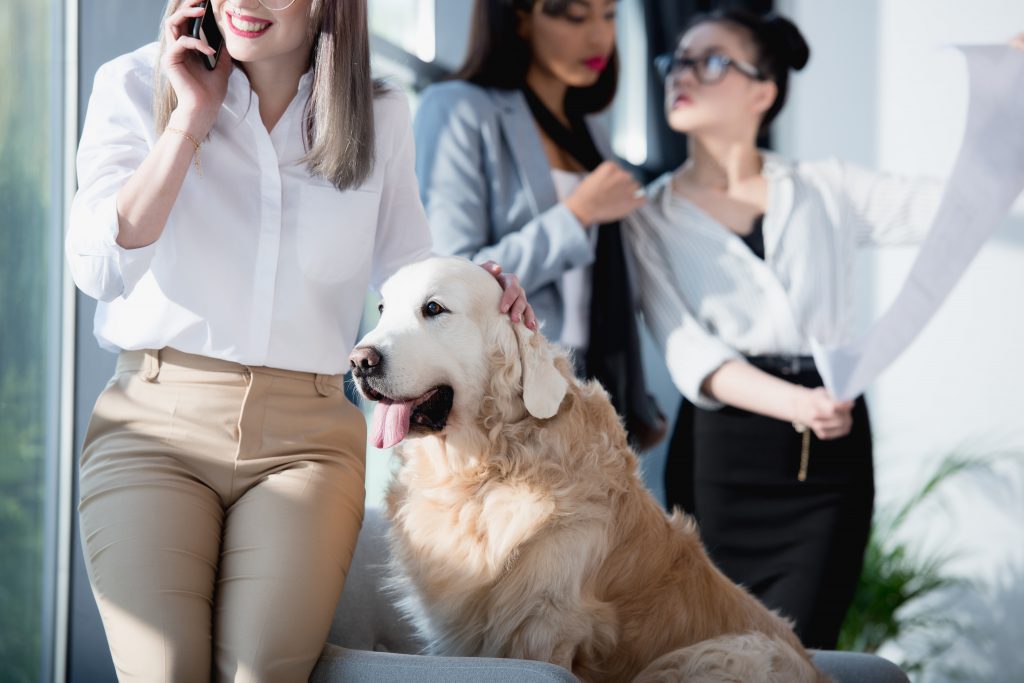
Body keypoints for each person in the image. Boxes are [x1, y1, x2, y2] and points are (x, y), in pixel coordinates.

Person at [65, 1, 533, 680]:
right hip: (154, 427)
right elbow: (99, 267)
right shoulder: (135, 84)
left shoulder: (381, 113)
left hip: (308, 443)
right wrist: (187, 122)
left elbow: (407, 269)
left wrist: (481, 287)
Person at [624, 9, 951, 650]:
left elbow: (954, 205)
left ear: (762, 91)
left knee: (804, 650)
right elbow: (690, 353)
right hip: (723, 456)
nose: (682, 73)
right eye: (678, 60)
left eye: (711, 60)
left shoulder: (825, 187)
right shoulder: (648, 216)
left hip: (828, 458)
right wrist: (799, 403)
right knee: (716, 647)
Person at [413, 0, 665, 450]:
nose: (598, 37)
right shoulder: (458, 108)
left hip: (588, 382)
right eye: (575, 15)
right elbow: (451, 275)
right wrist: (577, 215)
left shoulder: (590, 129)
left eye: (609, 15)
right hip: (509, 390)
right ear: (520, 18)